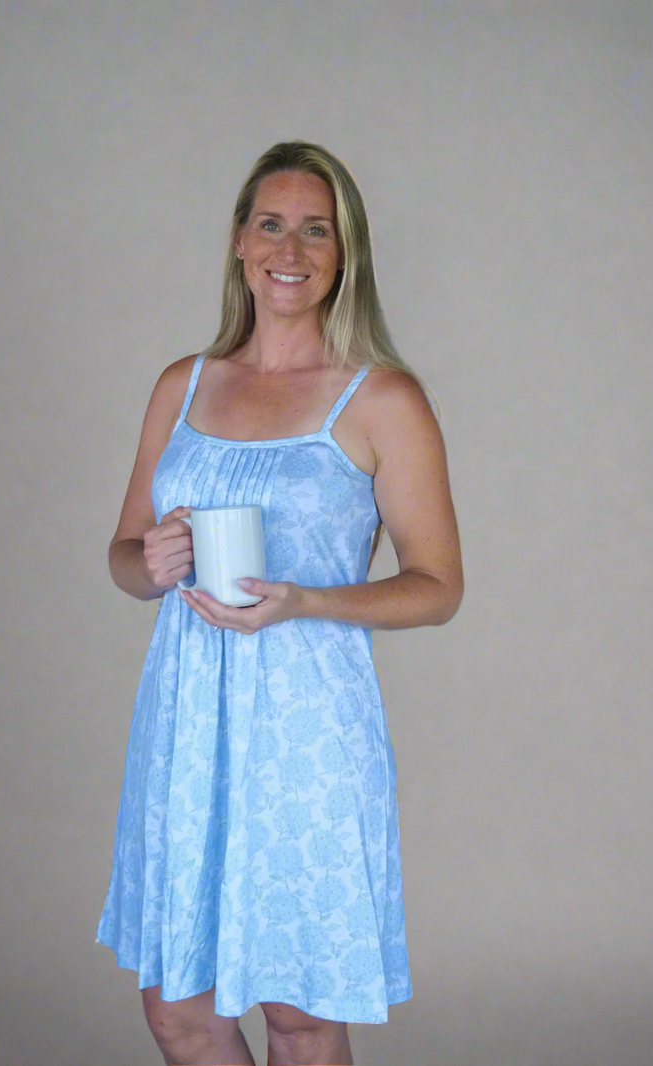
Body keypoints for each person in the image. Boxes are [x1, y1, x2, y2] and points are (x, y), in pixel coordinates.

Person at [95, 140, 464, 1066]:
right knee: (181, 1016)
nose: (289, 249)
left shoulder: (382, 400)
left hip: (307, 733)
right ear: (238, 241)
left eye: (316, 230)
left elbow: (437, 587)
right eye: (270, 224)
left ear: (345, 254)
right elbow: (124, 559)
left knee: (300, 1022)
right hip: (187, 727)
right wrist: (155, 559)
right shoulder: (182, 385)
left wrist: (305, 599)